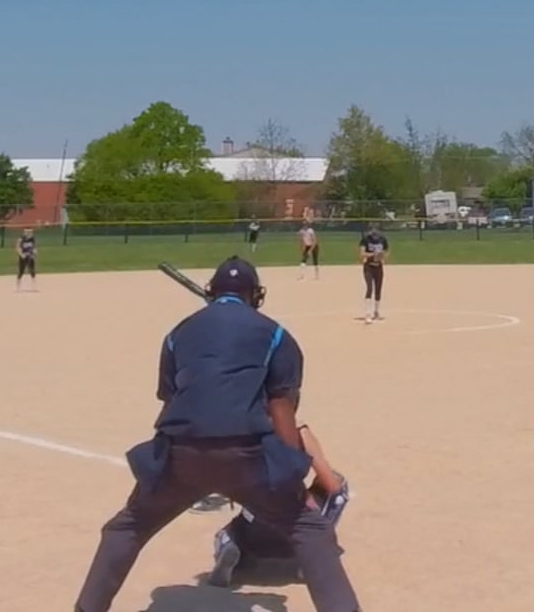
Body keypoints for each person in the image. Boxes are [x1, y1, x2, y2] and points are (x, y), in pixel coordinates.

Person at [73, 257, 360, 612]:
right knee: (311, 531)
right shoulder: (276, 334)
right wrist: (291, 474)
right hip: (247, 456)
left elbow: (171, 401)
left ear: (212, 291)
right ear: (255, 294)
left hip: (181, 454)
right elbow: (282, 409)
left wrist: (162, 470)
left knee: (126, 527)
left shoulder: (177, 333)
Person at [208, 419, 351, 588]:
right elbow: (332, 485)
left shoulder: (242, 431)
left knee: (238, 525)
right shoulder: (298, 430)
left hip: (254, 533)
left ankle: (230, 543)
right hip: (298, 532)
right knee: (338, 488)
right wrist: (311, 490)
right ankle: (311, 559)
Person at [357, 224, 389, 322]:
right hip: (369, 267)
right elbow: (362, 254)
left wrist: (382, 256)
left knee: (378, 289)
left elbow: (386, 252)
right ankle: (368, 313)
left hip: (378, 267)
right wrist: (373, 254)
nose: (374, 232)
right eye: (372, 230)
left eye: (377, 230)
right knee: (370, 288)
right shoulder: (366, 240)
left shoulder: (383, 240)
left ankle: (376, 311)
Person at [16, 228, 38, 292]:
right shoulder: (21, 239)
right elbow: (17, 247)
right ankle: (18, 286)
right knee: (21, 271)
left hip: (30, 256)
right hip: (23, 256)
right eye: (27, 232)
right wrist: (21, 255)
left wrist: (34, 252)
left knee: (32, 270)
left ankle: (34, 286)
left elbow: (33, 247)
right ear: (24, 233)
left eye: (30, 232)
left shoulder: (32, 239)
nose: (29, 233)